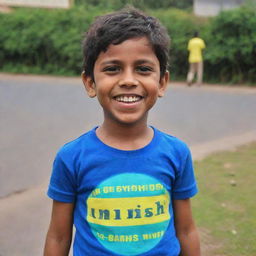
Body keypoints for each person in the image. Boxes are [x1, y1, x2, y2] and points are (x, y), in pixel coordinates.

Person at [44, 7, 201, 256]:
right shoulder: (72, 157)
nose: (128, 80)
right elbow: (58, 236)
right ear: (89, 83)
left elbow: (186, 231)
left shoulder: (176, 153)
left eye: (143, 69)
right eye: (112, 68)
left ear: (162, 82)